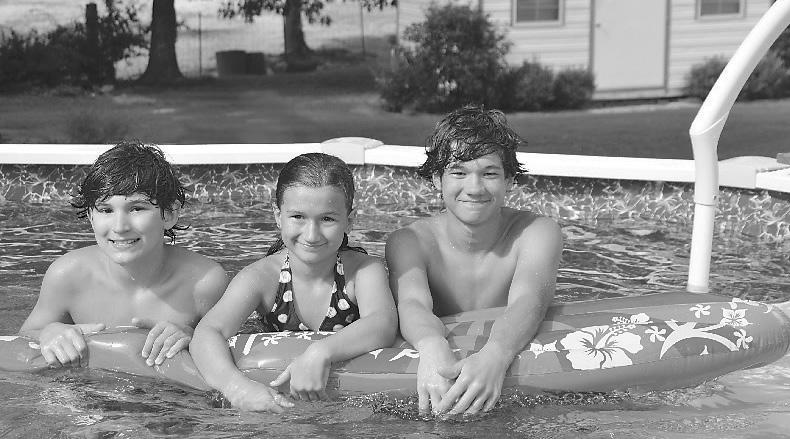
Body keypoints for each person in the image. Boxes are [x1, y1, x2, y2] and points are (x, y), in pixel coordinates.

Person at [385, 105, 563, 416]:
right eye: (458, 172)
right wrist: (430, 344)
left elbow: (530, 299)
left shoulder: (537, 232)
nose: (475, 188)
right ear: (436, 179)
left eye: (489, 173)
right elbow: (411, 303)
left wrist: (497, 355)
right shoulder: (410, 241)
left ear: (509, 180)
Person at [191, 152, 398, 413]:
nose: (311, 235)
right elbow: (207, 333)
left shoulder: (364, 271)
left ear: (350, 220)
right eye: (298, 217)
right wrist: (236, 387)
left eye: (327, 219)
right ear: (278, 216)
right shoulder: (261, 278)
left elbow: (383, 323)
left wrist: (320, 352)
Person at [19, 141, 229, 369]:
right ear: (90, 216)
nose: (119, 227)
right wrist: (49, 332)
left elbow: (237, 344)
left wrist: (192, 335)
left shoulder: (204, 283)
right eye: (106, 210)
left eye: (137, 208)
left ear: (169, 213)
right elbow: (25, 336)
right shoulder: (68, 275)